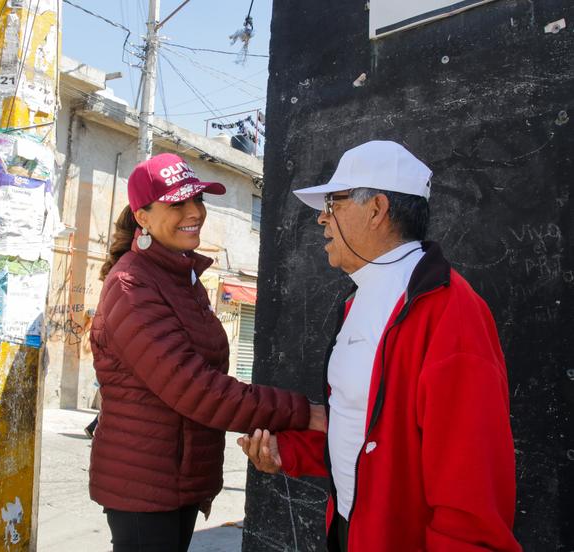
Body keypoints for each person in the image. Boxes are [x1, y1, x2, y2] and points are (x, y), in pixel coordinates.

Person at [238, 140, 521, 551]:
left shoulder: (451, 313)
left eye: (333, 203)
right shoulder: (358, 301)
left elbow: (471, 491)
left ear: (376, 210)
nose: (321, 219)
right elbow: (367, 434)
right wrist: (290, 451)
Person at [89, 153, 326, 552]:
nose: (194, 211)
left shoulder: (180, 278)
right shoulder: (132, 286)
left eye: (197, 199)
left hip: (177, 478)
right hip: (145, 484)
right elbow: (196, 388)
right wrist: (301, 412)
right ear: (142, 217)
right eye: (177, 203)